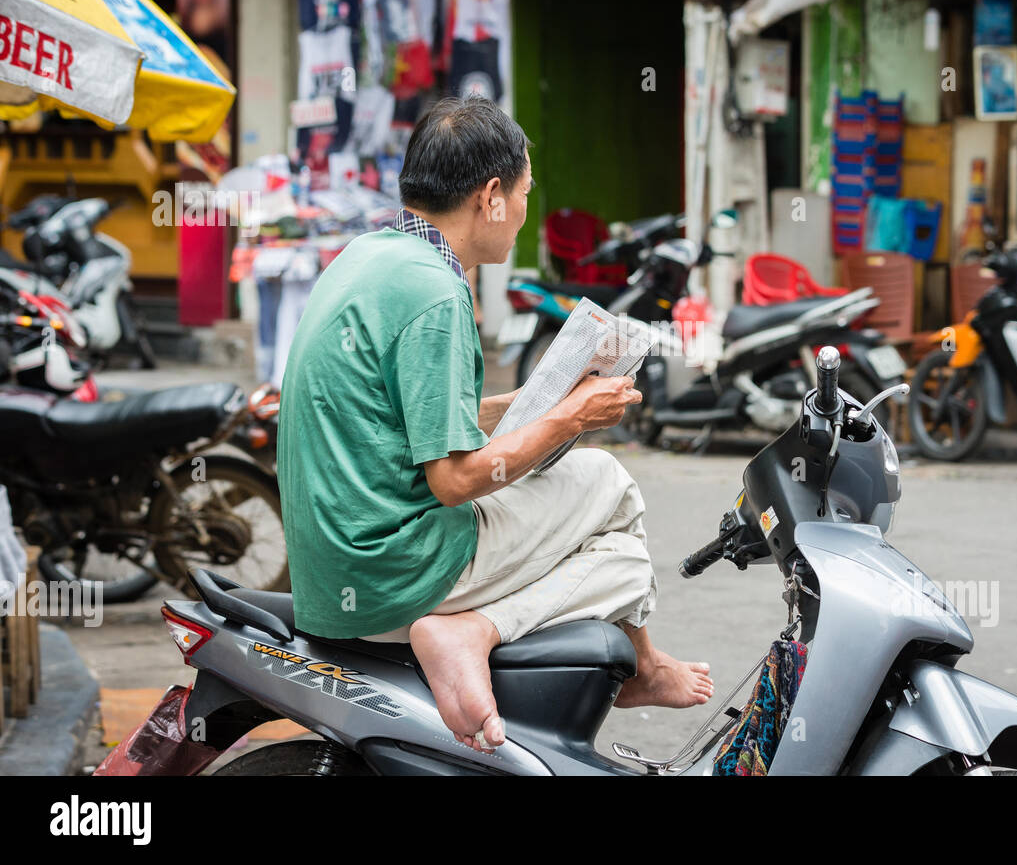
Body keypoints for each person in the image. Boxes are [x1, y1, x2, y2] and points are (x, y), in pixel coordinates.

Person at [278, 96, 713, 753]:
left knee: (605, 515)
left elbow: (416, 418)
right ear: (491, 197)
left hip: (330, 567)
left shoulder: (369, 259)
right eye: (525, 191)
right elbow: (453, 479)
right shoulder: (436, 293)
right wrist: (573, 414)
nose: (524, 209)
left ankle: (626, 661)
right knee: (619, 531)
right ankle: (480, 631)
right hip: (392, 568)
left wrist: (537, 399)